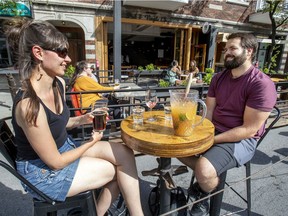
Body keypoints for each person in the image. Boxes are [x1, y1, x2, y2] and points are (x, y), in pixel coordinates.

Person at [4, 18, 144, 216]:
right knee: (114, 172)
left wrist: (83, 119)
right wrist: (91, 141)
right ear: (39, 53)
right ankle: (97, 212)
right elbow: (56, 162)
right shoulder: (28, 106)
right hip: (43, 173)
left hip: (64, 149)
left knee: (124, 153)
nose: (68, 59)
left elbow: (57, 125)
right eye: (62, 52)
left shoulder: (58, 83)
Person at [178, 33, 277, 215]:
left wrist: (210, 142)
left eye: (233, 49)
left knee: (204, 169)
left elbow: (249, 130)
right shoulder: (218, 78)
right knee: (176, 146)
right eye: (225, 49)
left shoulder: (261, 84)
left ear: (249, 52)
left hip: (242, 139)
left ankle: (203, 191)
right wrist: (195, 132)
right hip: (214, 131)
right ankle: (206, 182)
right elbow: (207, 115)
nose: (227, 53)